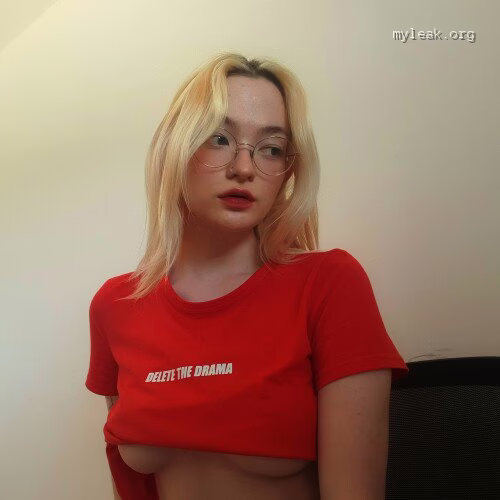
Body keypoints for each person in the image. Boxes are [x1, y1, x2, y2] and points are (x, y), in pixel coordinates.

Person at [85, 52, 409, 500]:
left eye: (271, 148)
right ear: (176, 149)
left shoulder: (329, 284)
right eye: (219, 139)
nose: (244, 168)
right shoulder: (115, 304)